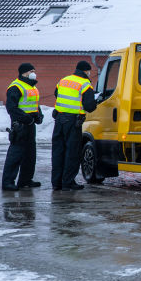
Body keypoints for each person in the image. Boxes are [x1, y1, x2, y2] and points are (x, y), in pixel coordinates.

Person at [51, 60, 98, 191]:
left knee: (58, 152)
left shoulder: (64, 80)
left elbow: (56, 94)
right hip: (73, 122)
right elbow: (89, 106)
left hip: (59, 119)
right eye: (89, 71)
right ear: (86, 71)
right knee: (72, 152)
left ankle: (56, 183)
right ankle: (68, 182)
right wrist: (96, 102)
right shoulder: (85, 84)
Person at [1, 63, 44, 191]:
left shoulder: (32, 87)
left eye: (34, 70)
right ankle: (8, 182)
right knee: (15, 154)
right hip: (19, 126)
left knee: (30, 155)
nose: (33, 73)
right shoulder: (15, 87)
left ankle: (25, 180)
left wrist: (38, 116)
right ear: (23, 73)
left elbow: (35, 105)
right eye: (30, 71)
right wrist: (27, 118)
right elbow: (12, 108)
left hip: (30, 125)